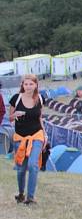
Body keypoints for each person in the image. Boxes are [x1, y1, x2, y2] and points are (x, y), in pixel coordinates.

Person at [9, 75, 46, 205]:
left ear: (36, 85)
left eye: (31, 84)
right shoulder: (16, 98)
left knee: (33, 165)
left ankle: (30, 198)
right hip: (20, 137)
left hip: (37, 135)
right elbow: (10, 118)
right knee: (21, 169)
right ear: (22, 85)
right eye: (26, 84)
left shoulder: (40, 99)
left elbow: (40, 118)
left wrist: (45, 134)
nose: (28, 86)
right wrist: (15, 115)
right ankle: (20, 194)